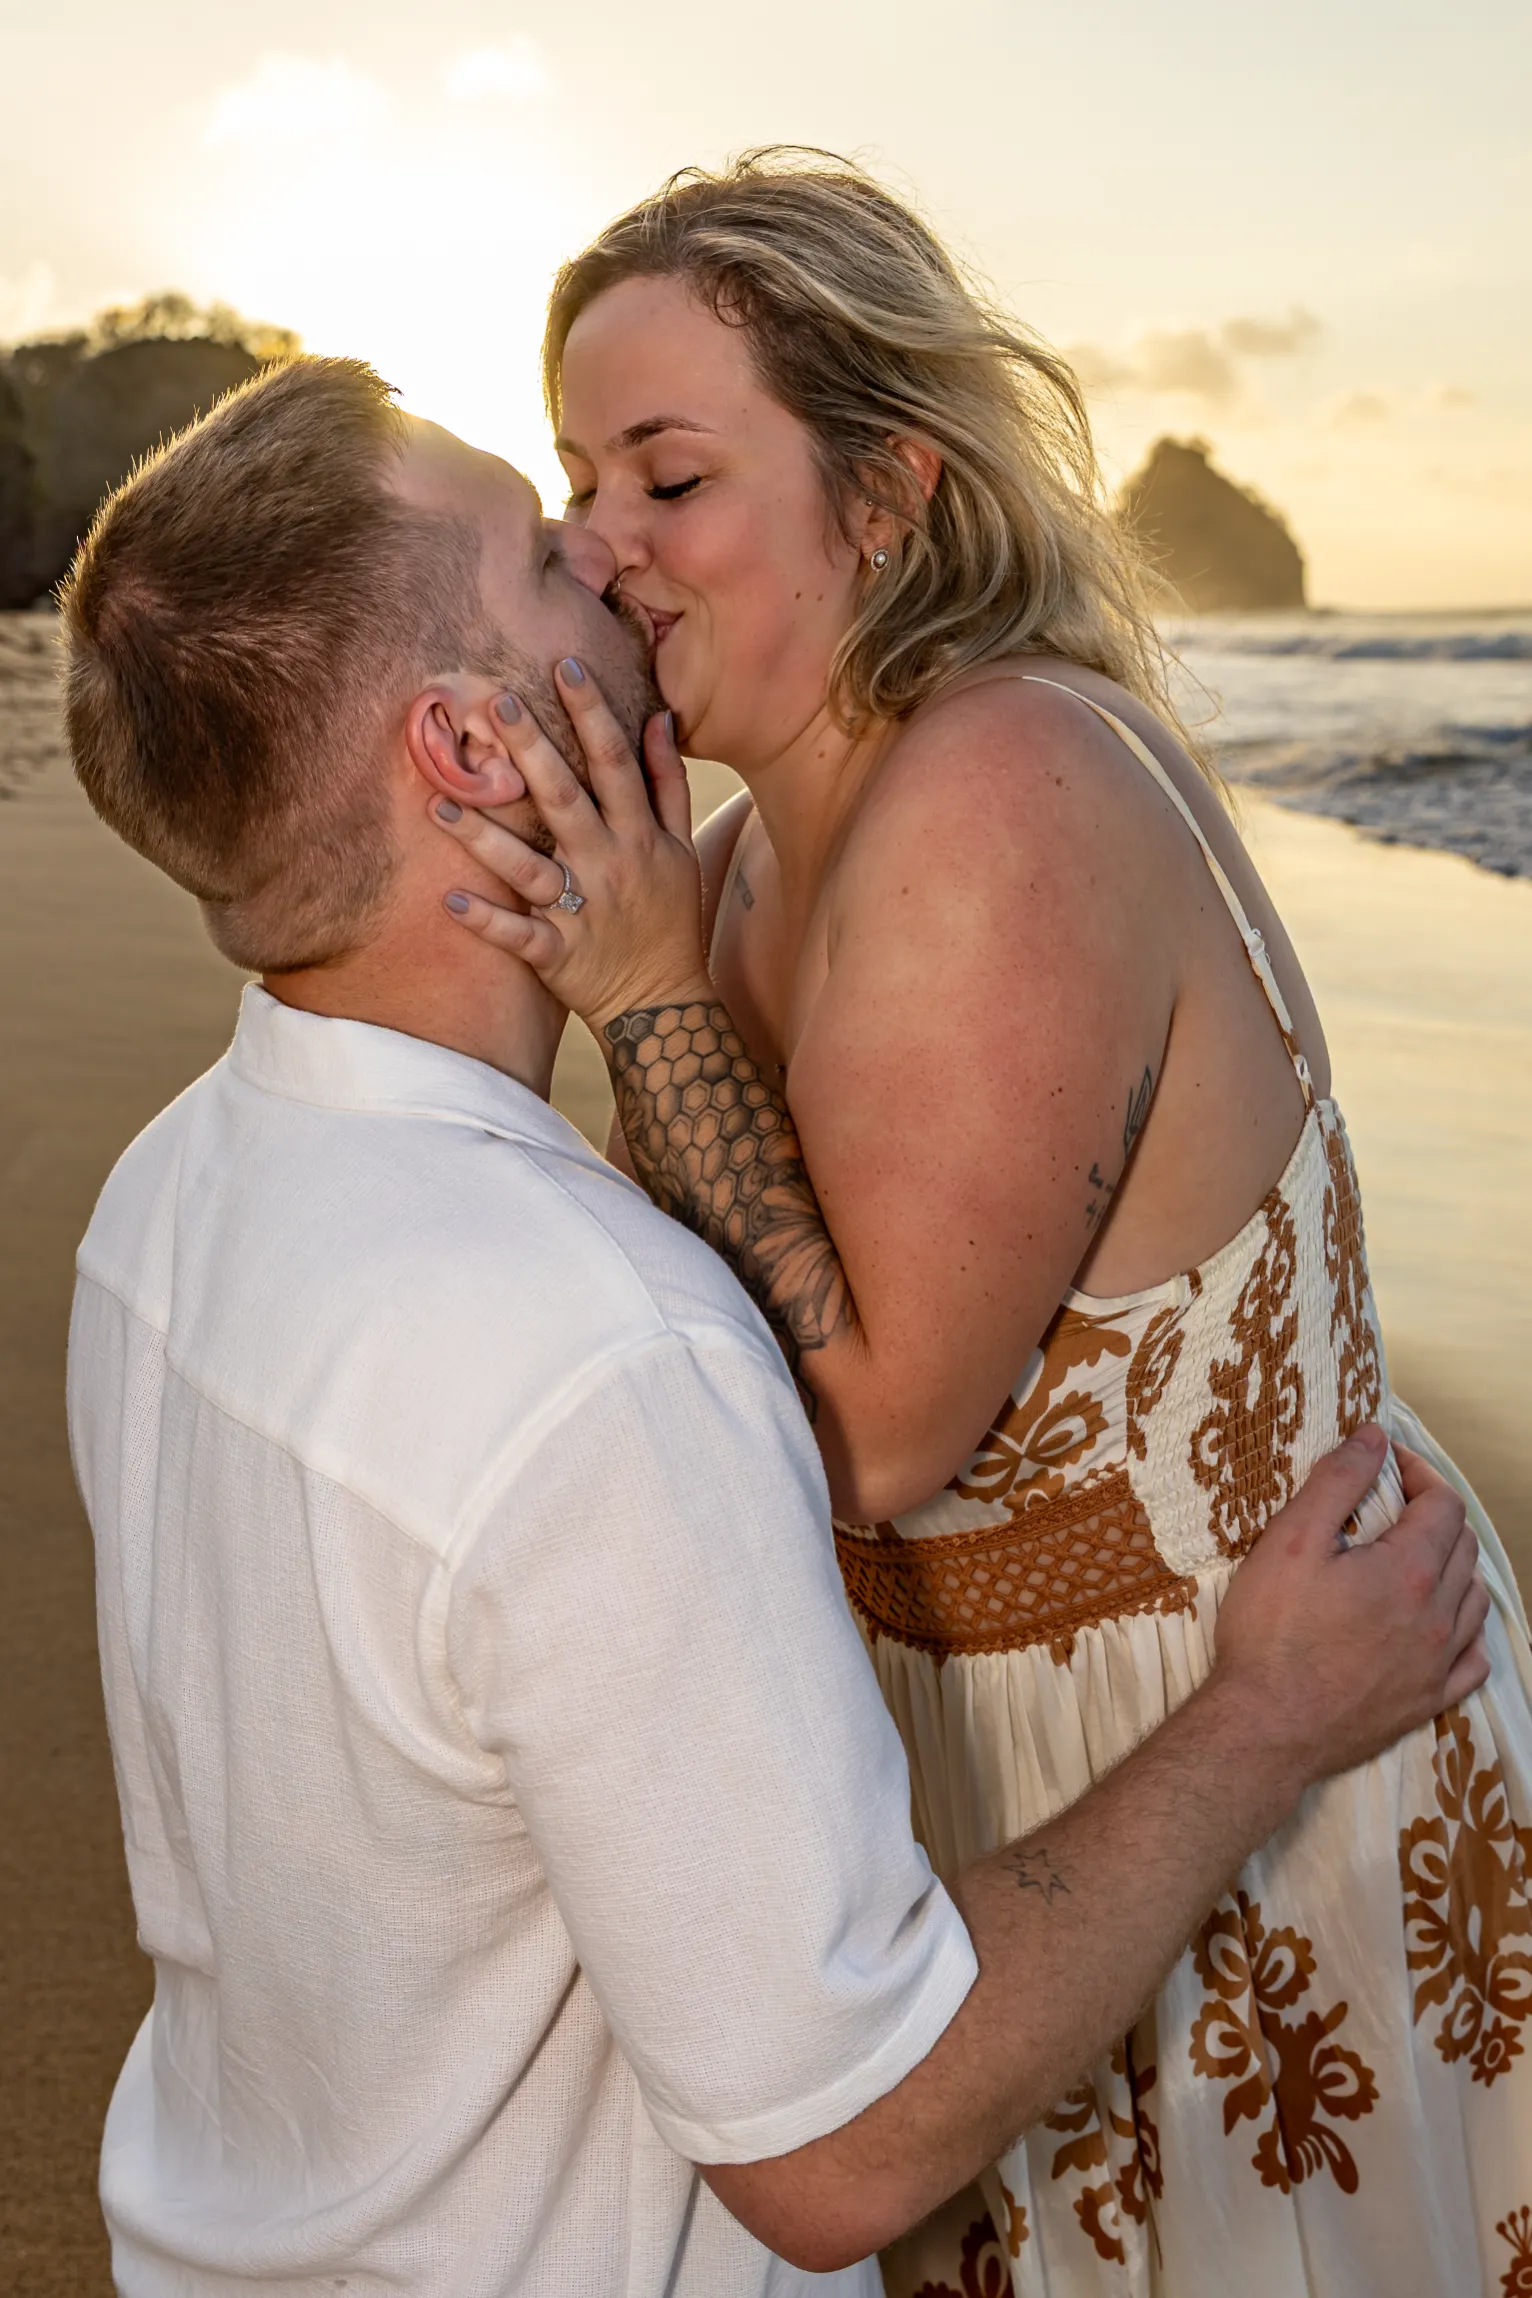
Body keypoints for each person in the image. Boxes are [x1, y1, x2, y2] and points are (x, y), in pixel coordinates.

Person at [59, 355, 1489, 2298]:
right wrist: (1268, 1715)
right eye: (543, 546)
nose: (600, 553)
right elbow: (840, 2151)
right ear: (471, 748)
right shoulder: (606, 1362)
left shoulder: (168, 1196)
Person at [429, 153, 1532, 2296]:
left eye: (670, 475)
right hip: (999, 1785)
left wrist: (641, 998)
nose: (598, 540)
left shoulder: (1003, 792)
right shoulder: (731, 867)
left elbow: (862, 1434)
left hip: (1246, 1752)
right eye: (579, 481)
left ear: (886, 494)